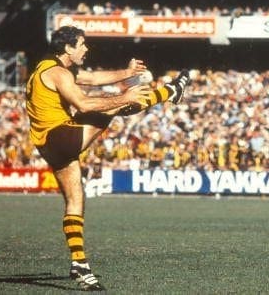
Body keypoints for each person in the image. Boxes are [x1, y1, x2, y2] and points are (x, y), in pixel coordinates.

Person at [25, 26, 190, 290]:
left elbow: (91, 79)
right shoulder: (58, 72)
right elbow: (84, 104)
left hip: (49, 144)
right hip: (62, 136)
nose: (86, 48)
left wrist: (126, 74)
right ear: (68, 48)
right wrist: (123, 96)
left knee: (75, 200)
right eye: (81, 44)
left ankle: (80, 266)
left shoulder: (49, 66)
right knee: (113, 105)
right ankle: (170, 92)